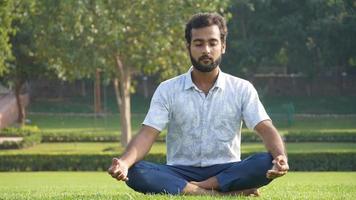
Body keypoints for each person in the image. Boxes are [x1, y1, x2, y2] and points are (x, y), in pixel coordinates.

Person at [108, 12, 289, 196]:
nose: (206, 50)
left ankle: (198, 187)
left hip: (226, 171)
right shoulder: (168, 89)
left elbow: (265, 127)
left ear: (223, 46)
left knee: (267, 161)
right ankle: (216, 193)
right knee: (135, 171)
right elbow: (147, 134)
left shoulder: (242, 88)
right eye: (199, 43)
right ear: (188, 47)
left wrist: (280, 158)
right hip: (180, 171)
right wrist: (124, 163)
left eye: (212, 43)